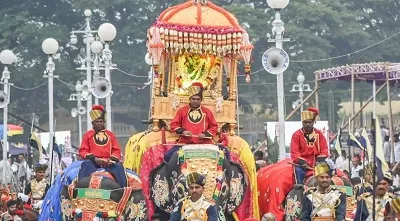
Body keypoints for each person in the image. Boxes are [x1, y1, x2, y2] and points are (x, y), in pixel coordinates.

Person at [165, 82, 219, 162]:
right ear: (189, 99)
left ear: (201, 100)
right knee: (168, 156)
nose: (195, 101)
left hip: (205, 143)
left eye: (198, 99)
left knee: (223, 155)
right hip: (185, 142)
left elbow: (214, 127)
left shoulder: (207, 112)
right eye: (193, 99)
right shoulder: (182, 111)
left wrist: (205, 134)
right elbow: (173, 124)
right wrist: (183, 131)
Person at [78, 105, 127, 187]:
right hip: (93, 162)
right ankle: (79, 189)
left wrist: (111, 159)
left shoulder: (110, 135)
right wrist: (94, 159)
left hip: (108, 162)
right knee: (86, 164)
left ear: (104, 122)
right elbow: (83, 151)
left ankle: (123, 190)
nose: (100, 123)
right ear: (93, 123)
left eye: (101, 121)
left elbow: (116, 150)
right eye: (97, 122)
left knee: (119, 167)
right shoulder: (88, 135)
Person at [290, 107, 328, 185]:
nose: (307, 124)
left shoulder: (319, 134)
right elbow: (294, 152)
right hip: (302, 164)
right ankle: (299, 191)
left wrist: (319, 160)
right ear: (302, 123)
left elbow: (324, 149)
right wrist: (302, 162)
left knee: (328, 175)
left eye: (309, 122)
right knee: (298, 173)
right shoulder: (296, 135)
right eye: (305, 122)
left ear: (313, 122)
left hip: (317, 162)